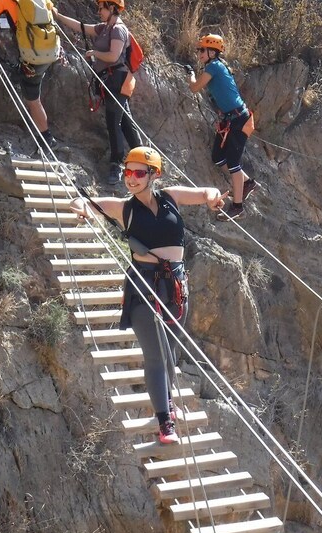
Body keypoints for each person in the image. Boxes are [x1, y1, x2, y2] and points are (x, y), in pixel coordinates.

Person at [69, 147, 227, 443]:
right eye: (128, 172)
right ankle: (165, 422)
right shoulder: (124, 208)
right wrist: (82, 209)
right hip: (143, 286)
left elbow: (206, 190)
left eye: (139, 173)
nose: (131, 178)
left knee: (170, 350)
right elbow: (83, 200)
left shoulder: (170, 197)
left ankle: (167, 400)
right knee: (155, 356)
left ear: (153, 175)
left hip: (176, 285)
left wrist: (211, 197)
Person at [54, 0, 142, 185]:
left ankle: (116, 165)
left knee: (113, 122)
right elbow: (81, 27)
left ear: (111, 8)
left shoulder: (118, 29)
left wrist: (94, 53)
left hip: (117, 79)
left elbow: (113, 55)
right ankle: (142, 155)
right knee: (124, 120)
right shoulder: (104, 28)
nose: (98, 11)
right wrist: (57, 15)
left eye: (101, 8)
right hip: (111, 79)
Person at [186, 34, 258, 221]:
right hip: (231, 119)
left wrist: (190, 75)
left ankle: (238, 207)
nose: (200, 53)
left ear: (212, 52)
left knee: (233, 162)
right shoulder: (214, 66)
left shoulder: (215, 66)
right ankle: (247, 182)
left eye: (203, 50)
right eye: (199, 50)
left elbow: (194, 88)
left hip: (239, 119)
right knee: (218, 157)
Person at [0, 0, 60, 150]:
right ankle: (18, 73)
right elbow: (54, 13)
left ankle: (47, 139)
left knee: (33, 100)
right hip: (49, 52)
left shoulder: (6, 1)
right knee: (28, 83)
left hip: (32, 57)